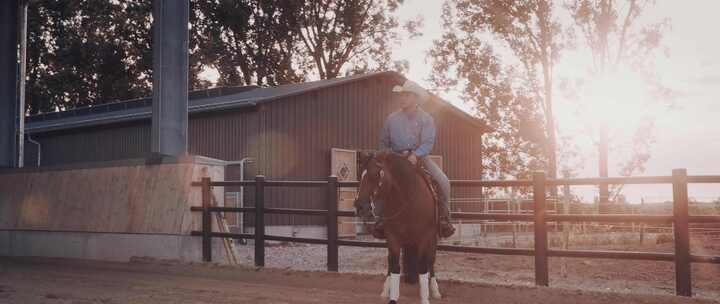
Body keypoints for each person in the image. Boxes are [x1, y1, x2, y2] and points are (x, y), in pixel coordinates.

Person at [373, 79, 455, 239]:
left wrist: (415, 155)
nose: (402, 98)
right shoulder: (392, 119)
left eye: (407, 95)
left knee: (443, 181)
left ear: (416, 98)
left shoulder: (427, 119)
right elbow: (383, 141)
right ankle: (380, 219)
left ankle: (444, 219)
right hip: (394, 159)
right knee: (378, 180)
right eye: (401, 95)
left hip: (420, 158)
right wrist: (390, 155)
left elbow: (428, 142)